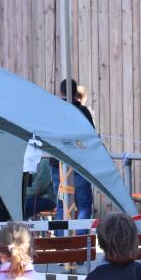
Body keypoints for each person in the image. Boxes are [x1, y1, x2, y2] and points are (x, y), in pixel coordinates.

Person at [51, 79, 95, 227]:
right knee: (84, 205)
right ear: (75, 92)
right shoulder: (82, 112)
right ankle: (81, 237)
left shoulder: (53, 110)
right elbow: (92, 137)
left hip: (57, 164)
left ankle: (62, 239)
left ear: (60, 91)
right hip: (79, 164)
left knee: (61, 205)